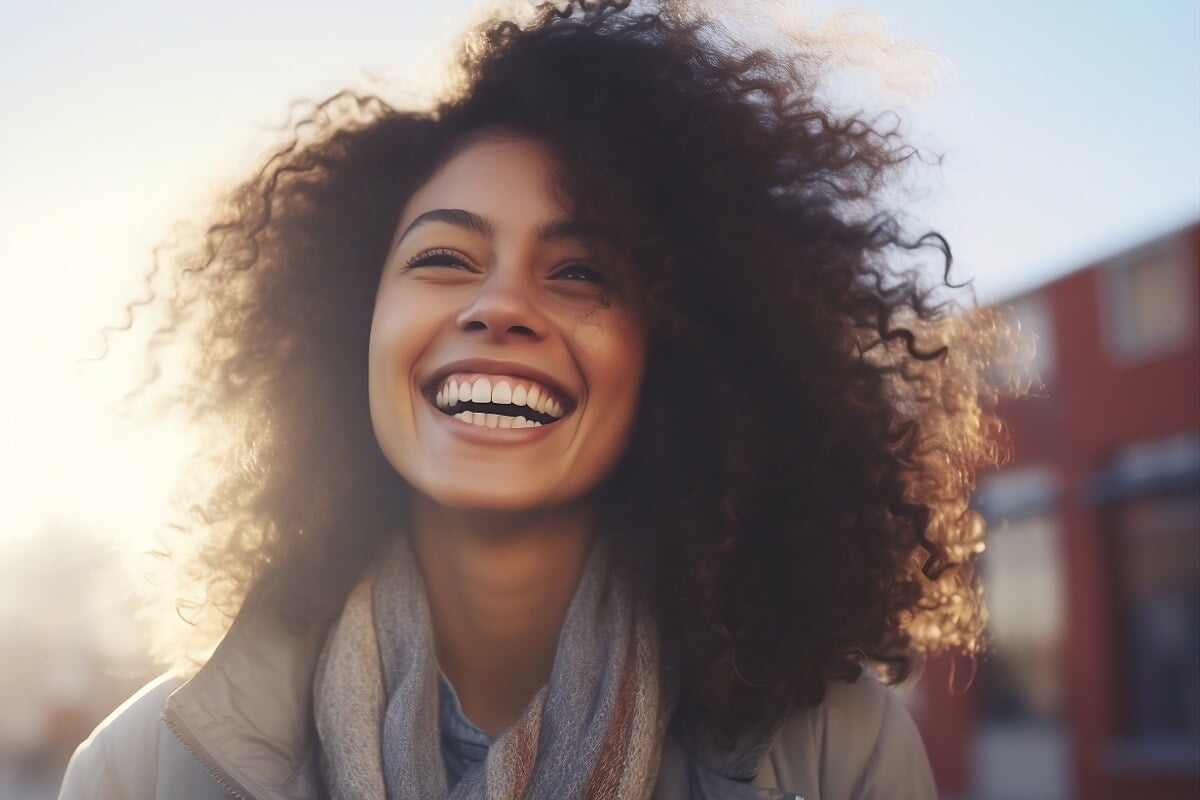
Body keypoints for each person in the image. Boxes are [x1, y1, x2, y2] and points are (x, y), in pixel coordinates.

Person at [59, 1, 1018, 797]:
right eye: (443, 258)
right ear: (350, 331)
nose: (501, 306)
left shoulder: (836, 755)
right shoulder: (137, 770)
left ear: (678, 355)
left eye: (579, 270)